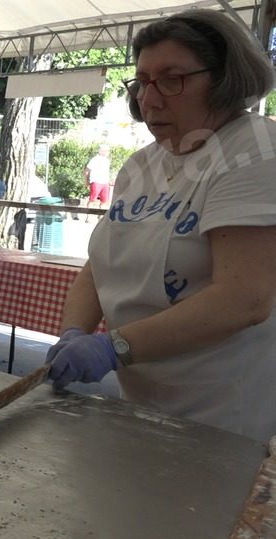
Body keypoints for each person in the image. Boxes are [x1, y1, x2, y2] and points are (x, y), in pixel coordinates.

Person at [45, 9, 276, 442]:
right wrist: (74, 333)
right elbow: (99, 266)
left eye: (172, 79)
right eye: (142, 82)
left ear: (225, 80)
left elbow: (244, 298)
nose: (149, 100)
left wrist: (114, 347)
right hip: (143, 401)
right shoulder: (140, 165)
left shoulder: (257, 151)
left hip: (225, 416)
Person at [84, 144, 112, 209]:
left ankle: (100, 217)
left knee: (104, 201)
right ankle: (88, 217)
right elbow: (86, 171)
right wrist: (87, 181)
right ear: (101, 151)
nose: (108, 152)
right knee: (92, 200)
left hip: (105, 183)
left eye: (108, 151)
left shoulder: (107, 161)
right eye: (107, 151)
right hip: (96, 182)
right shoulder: (94, 159)